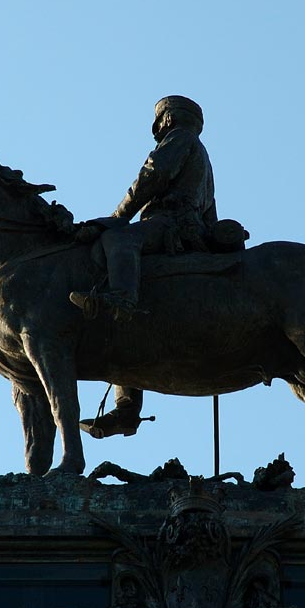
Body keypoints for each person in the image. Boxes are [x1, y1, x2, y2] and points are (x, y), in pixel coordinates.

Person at [70, 96, 218, 439]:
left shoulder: (179, 139)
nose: (159, 125)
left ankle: (123, 296)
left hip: (170, 225)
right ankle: (126, 410)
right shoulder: (201, 154)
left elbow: (152, 175)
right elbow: (211, 212)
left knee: (119, 241)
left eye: (161, 118)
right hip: (187, 228)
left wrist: (117, 217)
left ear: (168, 119)